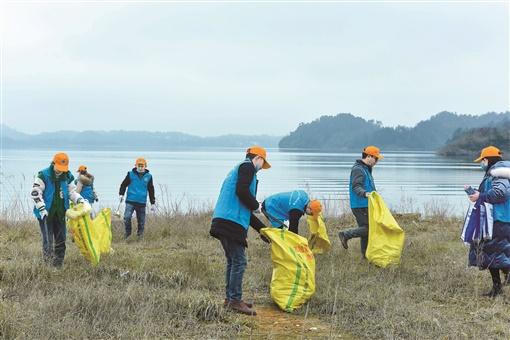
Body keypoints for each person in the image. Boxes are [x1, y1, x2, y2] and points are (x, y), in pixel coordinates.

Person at [210, 146, 271, 316]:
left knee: (233, 261)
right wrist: (256, 205)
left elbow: (245, 209)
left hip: (225, 220)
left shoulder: (239, 170)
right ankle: (235, 301)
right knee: (239, 262)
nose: (261, 167)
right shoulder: (247, 167)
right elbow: (242, 192)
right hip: (230, 222)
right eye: (262, 163)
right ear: (258, 158)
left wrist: (263, 230)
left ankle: (231, 299)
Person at [30, 152, 89, 267]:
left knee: (61, 240)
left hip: (61, 213)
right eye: (59, 168)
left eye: (63, 168)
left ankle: (58, 265)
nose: (61, 170)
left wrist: (80, 200)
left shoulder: (67, 176)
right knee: (48, 242)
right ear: (54, 163)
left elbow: (71, 192)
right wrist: (42, 208)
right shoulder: (43, 175)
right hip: (45, 213)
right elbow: (35, 193)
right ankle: (47, 266)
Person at [466, 146, 510, 297]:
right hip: (502, 218)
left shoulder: (498, 173)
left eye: (483, 160)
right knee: (499, 254)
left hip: (498, 219)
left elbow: (500, 193)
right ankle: (500, 285)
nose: (482, 163)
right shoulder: (502, 172)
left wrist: (480, 196)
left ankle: (497, 288)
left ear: (488, 160)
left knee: (492, 253)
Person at [338, 146, 383, 257]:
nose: (377, 162)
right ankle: (345, 234)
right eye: (376, 159)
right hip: (359, 205)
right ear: (368, 156)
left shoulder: (366, 169)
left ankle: (365, 256)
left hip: (366, 204)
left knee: (366, 231)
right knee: (369, 229)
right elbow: (356, 186)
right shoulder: (358, 169)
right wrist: (364, 193)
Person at [119, 157, 156, 239]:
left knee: (141, 221)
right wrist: (121, 194)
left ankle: (140, 236)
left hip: (141, 202)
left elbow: (151, 189)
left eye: (142, 165)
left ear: (145, 166)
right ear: (135, 165)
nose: (140, 167)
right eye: (138, 165)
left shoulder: (149, 176)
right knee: (127, 217)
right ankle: (128, 234)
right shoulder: (130, 174)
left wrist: (152, 202)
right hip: (130, 201)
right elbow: (123, 185)